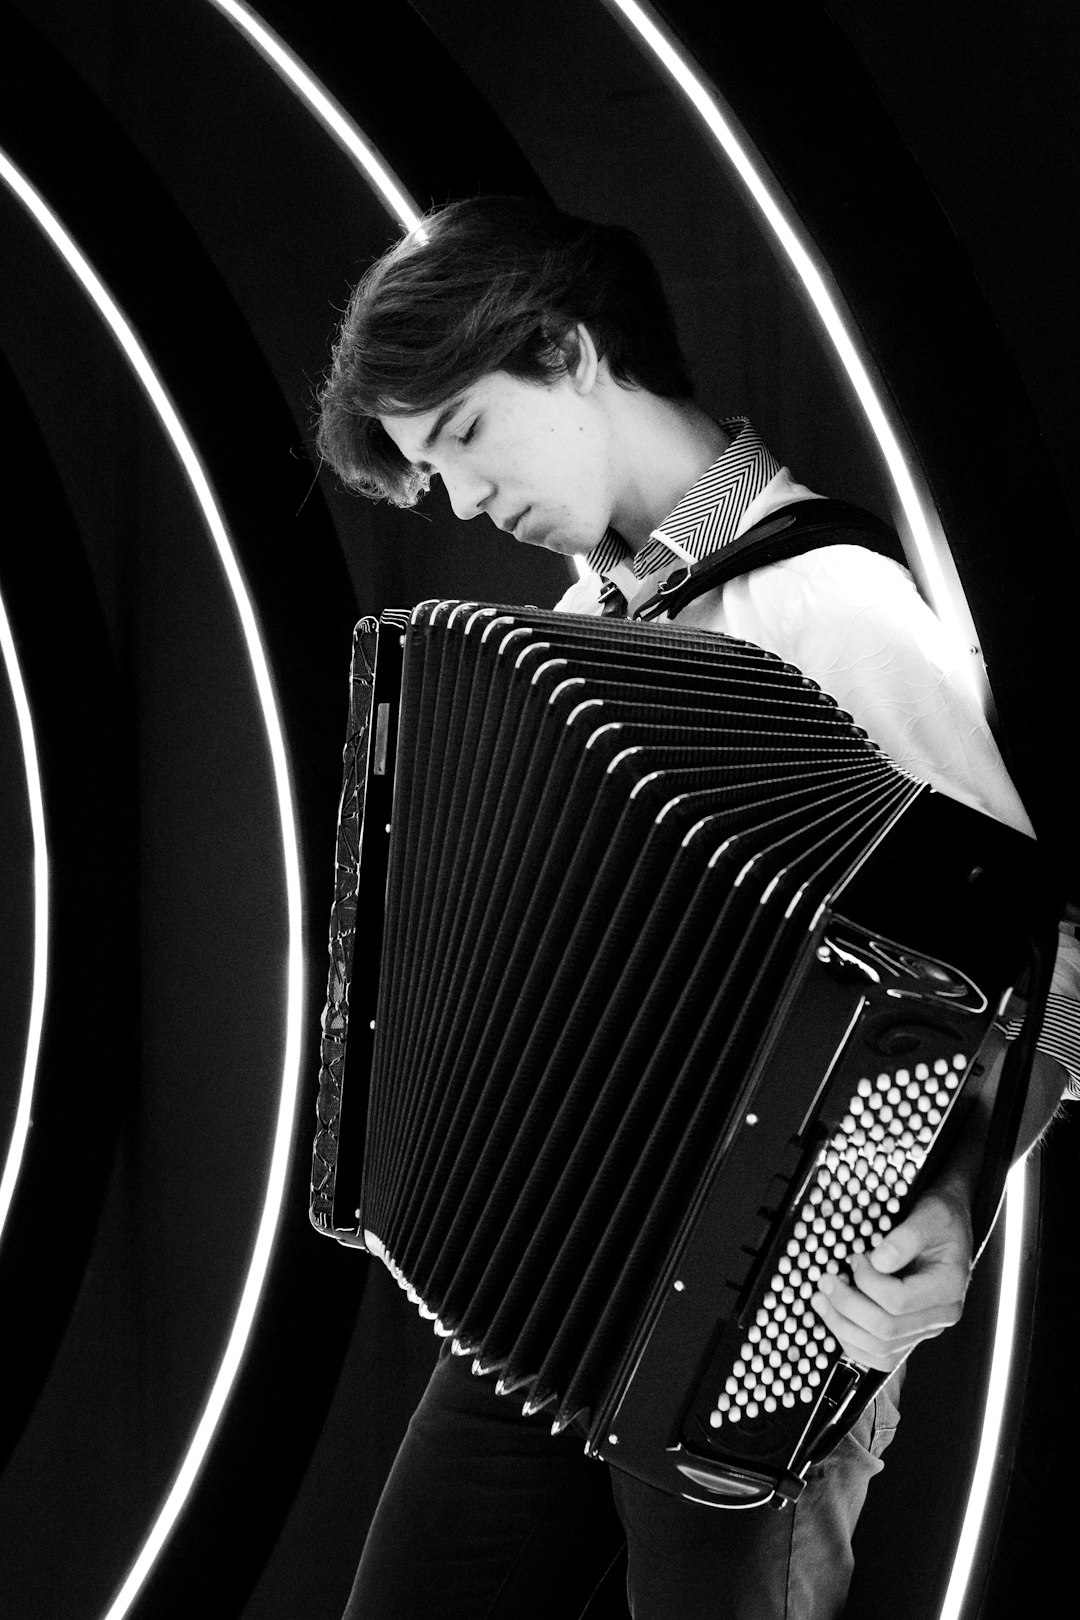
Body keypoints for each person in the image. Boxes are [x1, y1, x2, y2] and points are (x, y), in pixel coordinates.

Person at [315, 195, 1079, 1619]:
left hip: (765, 1307)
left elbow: (1044, 968)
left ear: (572, 351)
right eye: (432, 472)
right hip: (548, 1288)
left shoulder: (831, 607)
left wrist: (960, 1196)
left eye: (468, 432)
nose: (467, 502)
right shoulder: (593, 631)